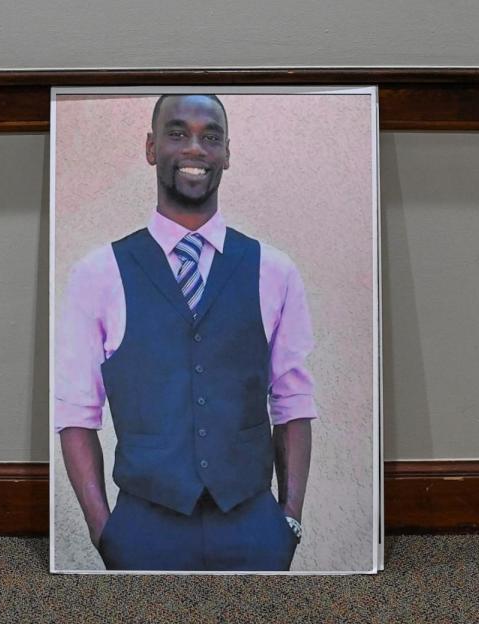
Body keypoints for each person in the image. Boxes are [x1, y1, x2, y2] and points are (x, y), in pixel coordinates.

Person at [56, 94, 317, 571]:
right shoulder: (97, 274)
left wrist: (290, 521)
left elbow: (293, 403)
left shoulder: (275, 272)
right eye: (178, 134)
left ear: (227, 154)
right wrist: (103, 530)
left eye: (210, 137)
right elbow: (75, 413)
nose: (195, 148)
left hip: (253, 526)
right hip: (142, 529)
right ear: (152, 148)